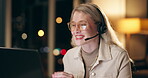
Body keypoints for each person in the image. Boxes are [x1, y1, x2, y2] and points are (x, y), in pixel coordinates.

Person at [52, 3, 132, 78]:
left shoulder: (119, 56)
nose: (76, 30)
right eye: (73, 25)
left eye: (82, 25)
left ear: (99, 28)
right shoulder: (69, 56)